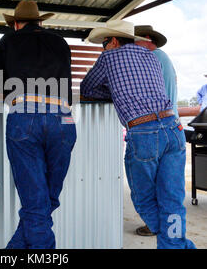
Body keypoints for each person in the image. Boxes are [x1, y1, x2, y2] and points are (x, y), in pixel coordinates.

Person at [80, 20, 195, 249]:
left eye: (104, 44)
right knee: (172, 199)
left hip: (144, 133)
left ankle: (173, 244)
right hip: (173, 128)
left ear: (113, 41)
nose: (103, 49)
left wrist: (113, 92)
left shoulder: (109, 58)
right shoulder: (151, 57)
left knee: (144, 200)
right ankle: (176, 244)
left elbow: (87, 89)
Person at [0, 0, 77, 249]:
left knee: (36, 203)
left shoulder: (9, 40)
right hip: (64, 117)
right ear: (41, 22)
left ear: (15, 24)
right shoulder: (60, 42)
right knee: (46, 200)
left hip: (26, 114)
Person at [133, 25, 178, 236]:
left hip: (154, 127)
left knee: (144, 186)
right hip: (173, 125)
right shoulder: (163, 57)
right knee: (168, 187)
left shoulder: (149, 57)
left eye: (132, 41)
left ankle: (155, 226)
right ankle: (170, 230)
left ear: (146, 39)